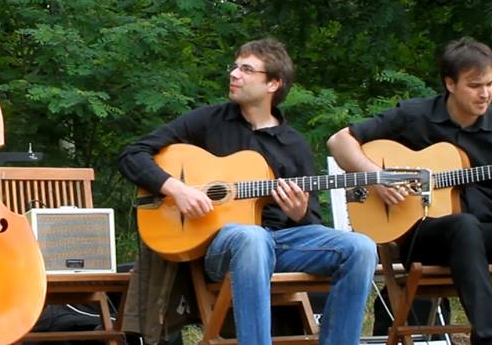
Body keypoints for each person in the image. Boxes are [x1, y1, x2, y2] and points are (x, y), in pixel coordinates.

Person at [119, 38, 377, 345]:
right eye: (235, 67)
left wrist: (299, 213)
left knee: (361, 247)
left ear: (273, 84)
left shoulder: (294, 144)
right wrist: (177, 190)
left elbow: (311, 223)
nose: (234, 74)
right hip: (220, 247)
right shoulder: (208, 122)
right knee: (252, 237)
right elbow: (132, 154)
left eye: (246, 69)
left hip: (282, 244)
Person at [327, 37, 492, 345]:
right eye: (475, 85)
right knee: (462, 224)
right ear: (450, 84)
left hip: (485, 232)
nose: (485, 94)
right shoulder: (415, 116)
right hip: (424, 235)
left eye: (490, 84)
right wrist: (378, 178)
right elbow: (339, 141)